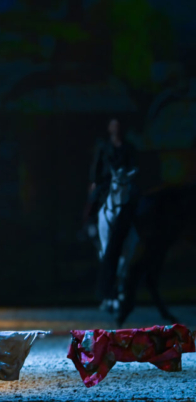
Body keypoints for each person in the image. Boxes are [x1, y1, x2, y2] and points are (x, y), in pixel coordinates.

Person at [88, 119, 139, 304]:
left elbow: (134, 165)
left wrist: (129, 176)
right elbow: (97, 166)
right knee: (93, 201)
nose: (116, 129)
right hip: (107, 184)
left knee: (136, 201)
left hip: (124, 183)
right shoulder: (104, 147)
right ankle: (89, 226)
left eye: (119, 125)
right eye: (113, 125)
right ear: (109, 128)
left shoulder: (129, 147)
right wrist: (94, 182)